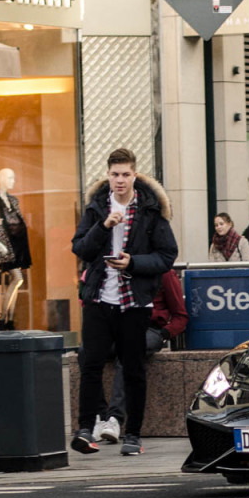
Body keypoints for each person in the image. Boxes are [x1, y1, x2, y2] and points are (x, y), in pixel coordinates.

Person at [70, 147, 179, 457]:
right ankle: (84, 430)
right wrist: (103, 226)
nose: (120, 180)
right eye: (115, 174)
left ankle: (133, 434)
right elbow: (80, 249)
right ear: (108, 175)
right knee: (90, 363)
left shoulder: (149, 209)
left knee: (133, 368)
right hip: (99, 298)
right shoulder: (96, 208)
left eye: (125, 174)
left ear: (135, 175)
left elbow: (167, 255)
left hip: (134, 302)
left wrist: (133, 263)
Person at [93, 268, 188, 444]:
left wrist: (164, 334)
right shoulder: (120, 270)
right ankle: (100, 416)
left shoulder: (164, 272)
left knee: (128, 353)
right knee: (87, 352)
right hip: (120, 328)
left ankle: (115, 419)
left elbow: (180, 316)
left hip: (151, 329)